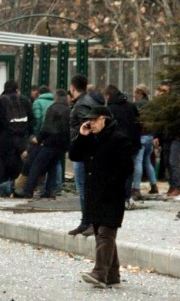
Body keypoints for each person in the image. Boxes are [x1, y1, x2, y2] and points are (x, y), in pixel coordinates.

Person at [69, 106, 133, 288]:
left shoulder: (119, 139)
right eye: (89, 120)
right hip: (94, 193)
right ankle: (112, 274)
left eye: (94, 120)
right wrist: (81, 136)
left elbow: (126, 168)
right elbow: (74, 155)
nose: (91, 123)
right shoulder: (92, 138)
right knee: (101, 231)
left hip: (112, 194)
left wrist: (112, 185)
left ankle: (99, 273)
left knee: (106, 231)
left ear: (104, 119)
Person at [15, 90, 71, 199]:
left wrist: (39, 139)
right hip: (62, 145)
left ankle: (28, 190)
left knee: (37, 165)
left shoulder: (52, 108)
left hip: (50, 142)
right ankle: (50, 191)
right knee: (52, 167)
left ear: (56, 97)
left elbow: (47, 127)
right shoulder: (68, 110)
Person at [67, 75, 97, 236]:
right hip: (83, 151)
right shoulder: (86, 101)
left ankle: (88, 222)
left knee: (84, 188)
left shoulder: (82, 104)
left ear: (73, 88)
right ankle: (86, 221)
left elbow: (87, 127)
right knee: (84, 187)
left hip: (83, 152)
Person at [0, 80, 34, 186]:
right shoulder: (25, 99)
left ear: (5, 89)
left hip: (4, 138)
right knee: (18, 164)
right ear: (17, 89)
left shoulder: (1, 100)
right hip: (22, 139)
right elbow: (31, 119)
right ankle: (17, 187)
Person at [104, 85, 141, 203]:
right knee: (128, 170)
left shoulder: (110, 109)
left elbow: (108, 128)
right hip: (133, 143)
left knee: (115, 170)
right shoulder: (132, 106)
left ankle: (116, 197)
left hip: (117, 145)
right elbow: (138, 124)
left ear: (108, 95)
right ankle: (126, 197)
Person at [132, 84, 158, 194]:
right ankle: (154, 185)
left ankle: (136, 188)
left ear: (140, 93)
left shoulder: (136, 105)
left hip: (141, 136)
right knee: (147, 161)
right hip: (150, 136)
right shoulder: (152, 105)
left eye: (136, 93)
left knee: (138, 161)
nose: (134, 95)